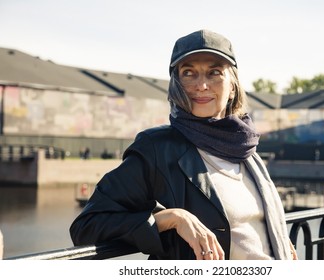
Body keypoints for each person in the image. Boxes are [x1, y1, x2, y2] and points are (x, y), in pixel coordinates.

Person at [70, 29, 298, 260]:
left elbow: (250, 225)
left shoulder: (245, 146)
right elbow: (87, 226)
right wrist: (171, 219)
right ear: (176, 85)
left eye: (214, 72)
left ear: (232, 87)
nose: (201, 85)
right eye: (189, 73)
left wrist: (276, 236)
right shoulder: (157, 148)